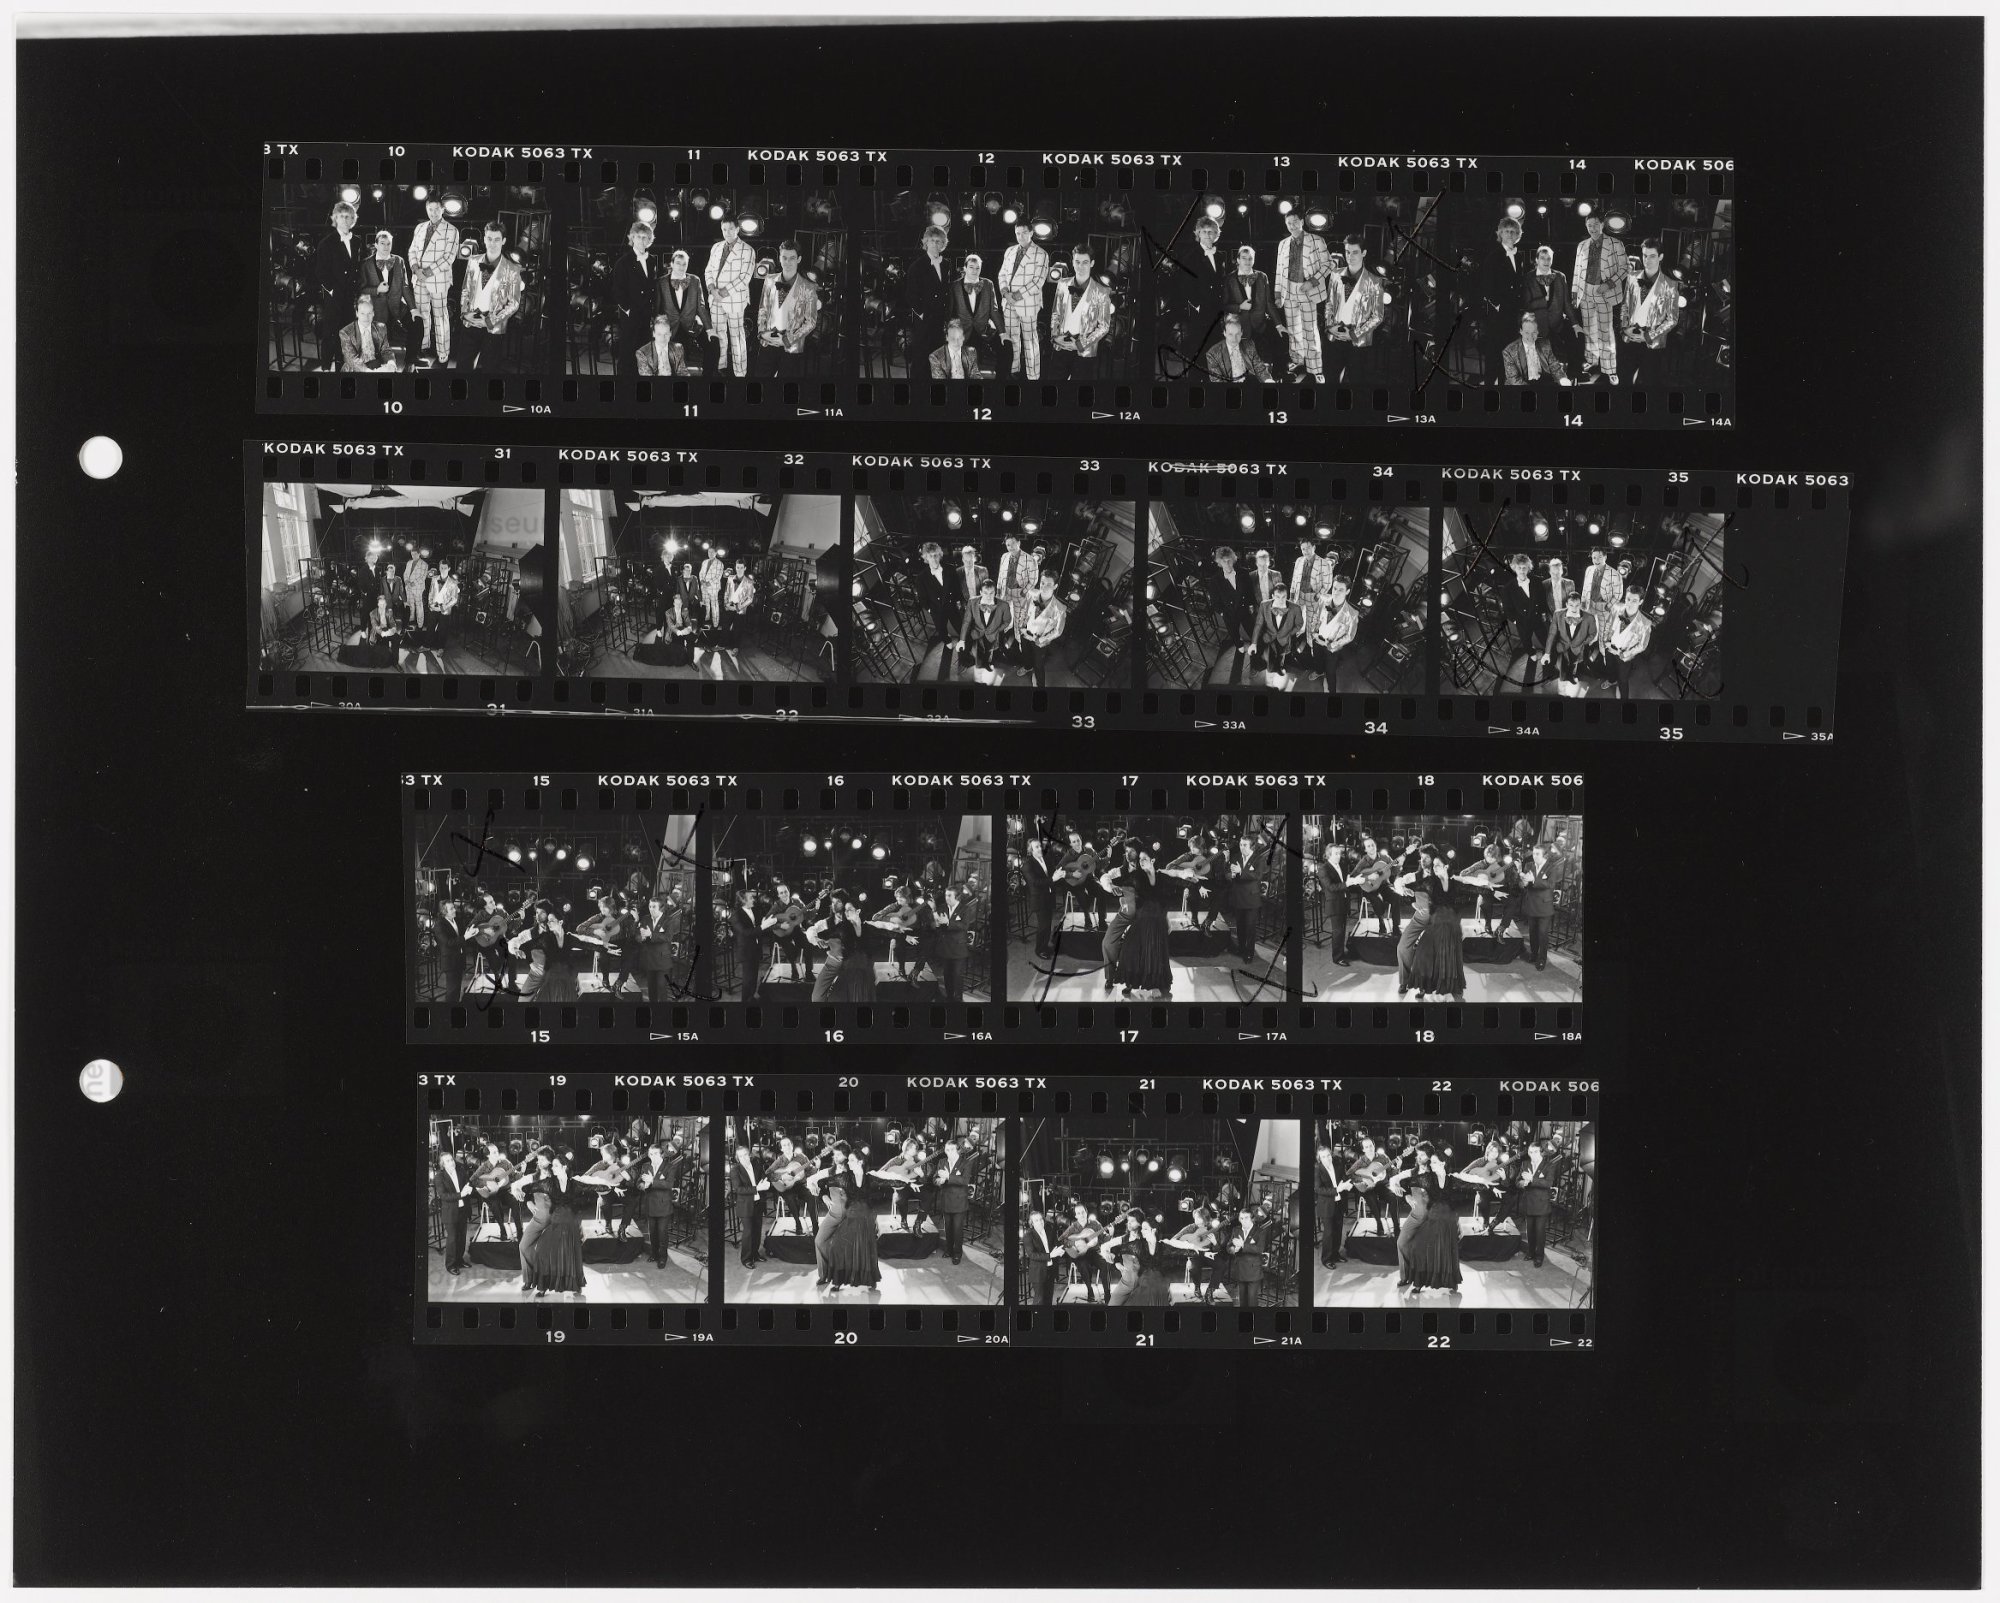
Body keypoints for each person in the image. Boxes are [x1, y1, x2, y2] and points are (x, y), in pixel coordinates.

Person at [1389, 1148, 1461, 1293]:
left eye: (1422, 1154)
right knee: (1401, 1243)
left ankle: (1421, 1279)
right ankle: (1406, 1276)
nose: (1419, 1157)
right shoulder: (1412, 1172)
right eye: (1418, 1155)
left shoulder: (1434, 1173)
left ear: (1429, 1157)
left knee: (1426, 1249)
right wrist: (1406, 1195)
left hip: (1432, 1217)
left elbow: (1448, 1195)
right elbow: (1393, 1180)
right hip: (1416, 1215)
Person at [1571, 211, 1629, 384]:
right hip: (1585, 292)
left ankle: (1609, 369)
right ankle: (1592, 360)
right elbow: (1577, 271)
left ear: (1603, 224)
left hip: (1605, 292)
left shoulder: (1615, 243)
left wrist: (1609, 284)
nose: (1593, 228)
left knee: (1605, 332)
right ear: (1586, 227)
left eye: (1596, 224)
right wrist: (1574, 294)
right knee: (1589, 330)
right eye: (1589, 225)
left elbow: (1625, 268)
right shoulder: (1582, 245)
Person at [457, 222, 522, 372]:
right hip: (471, 322)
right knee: (462, 368)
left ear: (503, 241)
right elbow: (465, 290)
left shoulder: (513, 269)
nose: (492, 243)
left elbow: (514, 303)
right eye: (489, 239)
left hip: (493, 327)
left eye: (497, 239)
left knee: (489, 371)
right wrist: (465, 313)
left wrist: (489, 321)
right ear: (484, 240)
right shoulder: (473, 261)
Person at [1274, 212, 1332, 380]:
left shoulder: (1316, 240)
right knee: (1293, 329)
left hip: (1307, 289)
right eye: (1289, 223)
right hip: (1288, 290)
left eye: (1295, 221)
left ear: (1301, 221)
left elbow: (1329, 264)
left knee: (1310, 330)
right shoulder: (1283, 244)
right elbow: (1279, 271)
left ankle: (1316, 369)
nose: (1292, 225)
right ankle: (1297, 361)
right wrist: (1278, 294)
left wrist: (1312, 282)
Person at [406, 193, 459, 367]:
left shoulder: (451, 230)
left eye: (437, 209)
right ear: (426, 209)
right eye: (430, 209)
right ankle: (422, 348)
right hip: (419, 278)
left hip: (438, 280)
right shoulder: (420, 228)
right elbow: (412, 251)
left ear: (442, 209)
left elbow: (448, 258)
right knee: (421, 315)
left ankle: (443, 354)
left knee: (440, 316)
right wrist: (415, 268)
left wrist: (426, 272)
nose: (434, 212)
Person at [1113, 845, 1173, 999]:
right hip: (1143, 917)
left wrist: (1167, 919)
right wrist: (1109, 883)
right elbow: (1120, 882)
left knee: (1154, 952)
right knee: (1131, 948)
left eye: (1144, 859)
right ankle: (1131, 981)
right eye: (1140, 859)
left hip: (1158, 919)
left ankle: (1154, 984)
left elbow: (1165, 901)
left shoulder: (1161, 877)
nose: (1141, 861)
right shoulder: (1137, 876)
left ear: (1153, 860)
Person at [1326, 233, 1385, 385]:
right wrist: (1330, 326)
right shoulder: (1335, 275)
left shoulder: (1375, 281)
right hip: (1335, 338)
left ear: (1364, 253)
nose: (1350, 256)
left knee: (1356, 385)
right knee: (1330, 382)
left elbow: (1378, 316)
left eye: (1355, 252)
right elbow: (1329, 304)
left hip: (1358, 343)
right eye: (1347, 252)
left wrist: (1353, 334)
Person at [754, 240, 820, 377]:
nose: (787, 262)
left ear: (799, 259)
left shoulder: (809, 287)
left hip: (791, 346)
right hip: (768, 342)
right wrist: (762, 333)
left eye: (792, 258)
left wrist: (787, 340)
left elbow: (811, 322)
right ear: (779, 258)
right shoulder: (769, 280)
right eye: (784, 258)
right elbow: (762, 309)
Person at [1622, 236, 1681, 387]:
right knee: (1624, 382)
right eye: (1645, 255)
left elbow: (1672, 319)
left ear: (1661, 257)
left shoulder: (1670, 285)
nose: (1647, 260)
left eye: (1652, 256)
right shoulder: (1632, 277)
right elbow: (1625, 306)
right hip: (1630, 339)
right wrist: (1624, 328)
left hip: (1652, 344)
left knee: (1650, 385)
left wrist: (1648, 336)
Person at [1476, 215, 1528, 386]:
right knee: (1494, 351)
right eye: (1506, 231)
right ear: (1500, 234)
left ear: (1518, 235)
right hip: (1498, 312)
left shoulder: (1518, 257)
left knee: (1508, 350)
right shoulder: (1494, 256)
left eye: (1513, 231)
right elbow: (1486, 284)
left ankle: (1504, 383)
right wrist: (1497, 305)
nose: (1510, 234)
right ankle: (1490, 385)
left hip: (1512, 311)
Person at [1048, 245, 1113, 380]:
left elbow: (1104, 326)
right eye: (1077, 262)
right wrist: (1055, 337)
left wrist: (1080, 344)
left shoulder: (1102, 291)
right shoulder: (1062, 284)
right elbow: (1055, 314)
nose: (1080, 266)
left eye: (1085, 262)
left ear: (1092, 263)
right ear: (1072, 262)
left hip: (1084, 351)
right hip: (1061, 345)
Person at [524, 1155, 587, 1297]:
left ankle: (574, 1284)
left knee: (569, 1253)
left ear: (564, 1167)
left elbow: (592, 1186)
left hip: (570, 1222)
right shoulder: (550, 1182)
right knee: (543, 1251)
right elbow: (529, 1187)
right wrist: (525, 1196)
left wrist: (610, 1187)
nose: (553, 1168)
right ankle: (543, 1285)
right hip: (556, 1221)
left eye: (556, 1165)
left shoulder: (574, 1183)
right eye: (552, 1165)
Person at [996, 219, 1050, 378]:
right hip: (1008, 302)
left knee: (1029, 340)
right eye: (1018, 233)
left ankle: (1033, 375)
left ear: (1031, 233)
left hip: (1028, 303)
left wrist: (1016, 296)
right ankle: (1013, 371)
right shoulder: (1009, 251)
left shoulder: (1041, 254)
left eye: (1024, 232)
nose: (1021, 236)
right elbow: (1002, 274)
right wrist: (1005, 293)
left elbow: (1038, 281)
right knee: (1012, 339)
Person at [703, 217, 757, 377]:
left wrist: (722, 293)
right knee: (718, 334)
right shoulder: (716, 247)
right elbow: (708, 271)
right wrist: (712, 289)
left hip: (735, 300)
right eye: (724, 229)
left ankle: (740, 372)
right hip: (715, 299)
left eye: (731, 229)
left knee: (736, 336)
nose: (727, 232)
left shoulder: (747, 250)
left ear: (737, 229)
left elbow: (745, 278)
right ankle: (720, 367)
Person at [312, 200, 363, 367]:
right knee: (330, 333)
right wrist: (332, 290)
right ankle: (326, 367)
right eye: (341, 216)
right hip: (334, 296)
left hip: (349, 295)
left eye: (348, 216)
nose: (345, 220)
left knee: (347, 332)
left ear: (353, 219)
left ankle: (342, 366)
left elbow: (356, 267)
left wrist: (356, 290)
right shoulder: (326, 243)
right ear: (335, 218)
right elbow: (320, 272)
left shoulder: (357, 241)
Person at [611, 219, 661, 376]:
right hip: (631, 315)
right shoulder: (623, 262)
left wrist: (653, 312)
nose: (641, 240)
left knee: (643, 353)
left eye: (645, 237)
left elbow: (653, 287)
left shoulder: (652, 260)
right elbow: (617, 290)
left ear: (649, 240)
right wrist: (628, 310)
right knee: (627, 354)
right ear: (632, 238)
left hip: (646, 315)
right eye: (638, 237)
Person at [930, 875, 980, 1004]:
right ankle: (949, 997)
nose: (946, 898)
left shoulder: (965, 909)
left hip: (958, 949)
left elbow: (964, 926)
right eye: (946, 895)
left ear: (956, 897)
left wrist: (948, 922)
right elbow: (937, 925)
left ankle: (958, 999)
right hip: (945, 947)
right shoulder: (942, 907)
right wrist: (935, 918)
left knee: (957, 975)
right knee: (947, 975)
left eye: (949, 895)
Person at [1514, 1137, 1563, 1268]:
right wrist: (1523, 1183)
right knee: (1530, 1231)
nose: (1532, 1155)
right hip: (1528, 1203)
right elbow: (1517, 1182)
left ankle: (1539, 1256)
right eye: (1530, 1152)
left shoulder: (1549, 1165)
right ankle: (1530, 1253)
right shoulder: (1525, 1164)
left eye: (1535, 1152)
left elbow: (1548, 1183)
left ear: (1541, 1151)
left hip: (1542, 1205)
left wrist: (1532, 1179)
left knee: (1540, 1232)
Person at [950, 251, 1002, 369]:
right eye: (971, 267)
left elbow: (994, 310)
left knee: (1005, 348)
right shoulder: (955, 286)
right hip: (963, 330)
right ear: (965, 268)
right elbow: (951, 312)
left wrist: (1002, 332)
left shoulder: (988, 284)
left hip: (983, 329)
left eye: (977, 268)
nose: (974, 271)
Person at [359, 229, 411, 345]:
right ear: (376, 245)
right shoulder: (366, 264)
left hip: (397, 308)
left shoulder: (399, 261)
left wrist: (413, 309)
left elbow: (405, 286)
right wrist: (377, 290)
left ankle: (412, 355)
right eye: (382, 243)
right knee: (378, 345)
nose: (386, 247)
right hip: (376, 311)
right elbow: (361, 290)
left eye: (388, 244)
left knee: (416, 324)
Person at [1247, 580, 1304, 685]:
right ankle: (1263, 674)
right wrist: (1254, 643)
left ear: (1287, 596)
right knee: (1262, 656)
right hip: (1268, 635)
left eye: (1283, 597)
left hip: (1284, 638)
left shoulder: (1295, 608)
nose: (1281, 600)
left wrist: (1289, 634)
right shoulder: (1264, 605)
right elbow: (1258, 624)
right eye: (1278, 597)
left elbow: (1299, 624)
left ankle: (1279, 668)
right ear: (1272, 596)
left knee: (1280, 656)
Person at [1523, 243, 1571, 364]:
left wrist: (1575, 324)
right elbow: (1527, 304)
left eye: (1549, 258)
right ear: (1536, 260)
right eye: (1543, 258)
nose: (1546, 261)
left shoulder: (1560, 277)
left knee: (1561, 359)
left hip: (1557, 324)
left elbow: (1566, 303)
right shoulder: (1528, 277)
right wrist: (1544, 299)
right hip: (1537, 326)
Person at [1017, 573, 1067, 687]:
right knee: (1025, 654)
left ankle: (1040, 685)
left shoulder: (1060, 609)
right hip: (1025, 633)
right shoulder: (1031, 593)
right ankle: (1027, 667)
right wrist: (1022, 626)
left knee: (1039, 665)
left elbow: (1058, 631)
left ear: (1055, 586)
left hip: (1040, 640)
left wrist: (1040, 639)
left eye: (1049, 584)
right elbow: (1024, 610)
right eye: (1042, 583)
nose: (1044, 587)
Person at [657, 248, 708, 360]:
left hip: (691, 325)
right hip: (670, 328)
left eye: (684, 264)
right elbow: (657, 308)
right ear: (672, 264)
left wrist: (710, 329)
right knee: (675, 359)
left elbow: (701, 307)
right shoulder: (661, 282)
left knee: (712, 345)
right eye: (678, 263)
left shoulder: (695, 280)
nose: (681, 267)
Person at [1541, 591, 1599, 686]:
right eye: (1571, 605)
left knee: (1572, 663)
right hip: (1561, 643)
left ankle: (1569, 675)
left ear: (1580, 605)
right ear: (1566, 604)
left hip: (1578, 645)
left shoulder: (1589, 617)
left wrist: (1583, 643)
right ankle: (1548, 676)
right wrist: (1547, 653)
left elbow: (1593, 633)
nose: (1574, 608)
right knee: (1548, 656)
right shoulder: (1558, 614)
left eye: (1577, 605)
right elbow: (1551, 634)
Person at [1058, 1200, 1111, 1304]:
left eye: (1083, 1212)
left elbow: (1105, 1238)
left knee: (1105, 1263)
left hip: (1095, 1252)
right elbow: (1061, 1239)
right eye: (1078, 1213)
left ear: (1086, 1212)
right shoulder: (1073, 1226)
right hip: (1081, 1254)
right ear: (1076, 1216)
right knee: (1083, 1264)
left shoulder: (1095, 1224)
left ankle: (1107, 1293)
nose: (1081, 1215)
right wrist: (1075, 1243)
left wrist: (1111, 1234)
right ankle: (1089, 1290)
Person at [631, 588, 698, 668]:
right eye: (676, 603)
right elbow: (671, 626)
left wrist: (689, 628)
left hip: (682, 631)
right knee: (666, 658)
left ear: (682, 603)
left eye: (680, 603)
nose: (678, 605)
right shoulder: (668, 612)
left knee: (690, 638)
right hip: (672, 633)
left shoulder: (685, 611)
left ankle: (691, 661)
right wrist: (679, 632)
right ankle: (640, 650)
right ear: (673, 603)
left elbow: (688, 622)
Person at [1605, 591, 1654, 698]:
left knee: (1623, 679)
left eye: (1634, 600)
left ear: (1640, 602)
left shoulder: (1645, 623)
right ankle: (1612, 681)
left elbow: (1642, 645)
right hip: (1610, 647)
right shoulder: (1616, 608)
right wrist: (1607, 639)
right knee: (1610, 667)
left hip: (1624, 655)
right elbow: (1608, 623)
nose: (1630, 603)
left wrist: (1623, 653)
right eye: (1628, 599)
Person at [1501, 310, 1568, 387]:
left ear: (1538, 332)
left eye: (1534, 332)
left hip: (1543, 381)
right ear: (1521, 331)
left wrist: (1563, 379)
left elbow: (1554, 366)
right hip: (1520, 384)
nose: (1530, 337)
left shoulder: (1545, 344)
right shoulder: (1509, 351)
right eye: (1527, 333)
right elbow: (1514, 379)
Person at [1516, 845, 1556, 971]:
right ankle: (1534, 955)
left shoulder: (1551, 867)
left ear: (1544, 855)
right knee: (1532, 933)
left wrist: (1533, 880)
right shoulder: (1529, 866)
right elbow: (1524, 885)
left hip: (1544, 907)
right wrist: (1523, 882)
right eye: (1533, 853)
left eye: (1537, 854)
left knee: (1542, 934)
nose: (1534, 856)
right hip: (1532, 905)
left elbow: (1550, 885)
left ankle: (1542, 959)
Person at [1226, 241, 1275, 342]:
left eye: (1250, 258)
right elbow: (1224, 305)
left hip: (1260, 327)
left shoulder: (1262, 277)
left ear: (1254, 260)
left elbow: (1269, 303)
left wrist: (1278, 324)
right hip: (1239, 329)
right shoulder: (1229, 279)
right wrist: (1239, 307)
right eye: (1244, 258)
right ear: (1238, 260)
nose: (1247, 261)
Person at [1202, 311, 1271, 382]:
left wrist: (1268, 380)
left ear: (1241, 332)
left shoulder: (1249, 345)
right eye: (1230, 334)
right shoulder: (1212, 354)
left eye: (1237, 334)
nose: (1234, 339)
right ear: (1224, 333)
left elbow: (1259, 368)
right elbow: (1217, 382)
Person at [932, 1137, 971, 1265]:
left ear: (957, 1150)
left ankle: (957, 1254)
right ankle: (949, 1250)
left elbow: (964, 1181)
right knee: (948, 1229)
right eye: (947, 1150)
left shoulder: (965, 1163)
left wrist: (948, 1176)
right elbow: (934, 1179)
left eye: (952, 1149)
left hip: (959, 1203)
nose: (950, 1152)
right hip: (946, 1201)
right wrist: (939, 1181)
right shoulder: (942, 1162)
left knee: (957, 1230)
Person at [731, 1132, 768, 1267]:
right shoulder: (735, 1170)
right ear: (737, 1158)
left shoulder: (756, 1164)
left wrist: (765, 1181)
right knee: (748, 1232)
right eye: (740, 1156)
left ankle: (755, 1254)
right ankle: (746, 1259)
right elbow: (738, 1189)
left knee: (757, 1231)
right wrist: (757, 1188)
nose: (744, 1158)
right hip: (745, 1206)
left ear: (749, 1155)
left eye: (745, 1155)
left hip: (758, 1203)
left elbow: (763, 1176)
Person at [1316, 838, 1354, 966]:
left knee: (1342, 930)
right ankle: (1337, 958)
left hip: (1343, 902)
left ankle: (1341, 953)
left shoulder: (1341, 865)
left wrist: (1351, 880)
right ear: (1328, 855)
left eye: (1339, 853)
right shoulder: (1323, 869)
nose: (1339, 856)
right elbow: (1331, 887)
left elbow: (1343, 882)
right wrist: (1348, 883)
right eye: (1336, 853)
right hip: (1334, 904)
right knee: (1338, 932)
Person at [436, 1147, 473, 1275]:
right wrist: (461, 1194)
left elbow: (468, 1184)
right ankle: (451, 1265)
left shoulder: (460, 1171)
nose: (451, 1162)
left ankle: (459, 1260)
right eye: (447, 1161)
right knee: (452, 1239)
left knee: (462, 1237)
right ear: (443, 1164)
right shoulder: (439, 1177)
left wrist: (470, 1188)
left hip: (463, 1210)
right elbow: (443, 1196)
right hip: (450, 1213)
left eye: (451, 1160)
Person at [1224, 1208, 1271, 1309]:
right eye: (1241, 1218)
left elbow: (1259, 1249)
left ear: (1252, 1219)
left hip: (1253, 1271)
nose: (1243, 1221)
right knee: (1243, 1301)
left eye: (1246, 1218)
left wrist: (1243, 1245)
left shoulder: (1260, 1231)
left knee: (1252, 1301)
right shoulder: (1236, 1230)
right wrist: (1234, 1249)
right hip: (1240, 1269)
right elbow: (1228, 1247)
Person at [912, 541, 956, 644]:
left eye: (936, 555)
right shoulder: (921, 578)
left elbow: (956, 587)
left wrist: (957, 601)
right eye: (930, 556)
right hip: (937, 610)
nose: (934, 559)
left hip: (951, 606)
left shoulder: (950, 569)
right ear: (926, 558)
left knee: (959, 626)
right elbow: (922, 599)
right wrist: (930, 610)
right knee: (942, 631)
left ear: (940, 555)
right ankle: (947, 642)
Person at [1315, 1138, 1351, 1266]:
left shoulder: (1337, 1164)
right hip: (1326, 1206)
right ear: (1319, 1158)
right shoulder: (1317, 1169)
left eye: (1328, 1155)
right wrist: (1337, 1190)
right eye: (1323, 1157)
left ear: (1331, 1154)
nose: (1327, 1158)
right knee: (1329, 1233)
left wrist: (1347, 1184)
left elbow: (1344, 1178)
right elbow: (1318, 1189)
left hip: (1339, 1203)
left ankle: (1335, 1254)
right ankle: (1326, 1259)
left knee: (1338, 1230)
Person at [338, 293, 395, 372]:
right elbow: (351, 359)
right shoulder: (346, 332)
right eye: (362, 313)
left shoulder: (381, 328)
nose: (366, 317)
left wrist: (391, 363)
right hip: (355, 369)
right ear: (357, 313)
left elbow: (386, 350)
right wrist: (367, 371)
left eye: (369, 313)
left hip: (376, 365)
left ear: (373, 313)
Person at [1579, 545, 1623, 639]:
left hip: (1603, 606)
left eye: (1599, 557)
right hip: (1589, 604)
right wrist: (1583, 603)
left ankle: (1601, 646)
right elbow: (1585, 588)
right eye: (1594, 557)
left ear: (1605, 557)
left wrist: (1608, 606)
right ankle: (1587, 644)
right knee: (1587, 630)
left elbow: (1618, 594)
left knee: (1602, 633)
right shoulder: (1589, 569)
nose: (1596, 560)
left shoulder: (1615, 574)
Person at [728, 885, 762, 1002]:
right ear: (743, 900)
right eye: (751, 898)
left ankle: (751, 998)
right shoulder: (736, 915)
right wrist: (763, 926)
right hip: (746, 951)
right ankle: (745, 1002)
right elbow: (746, 932)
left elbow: (758, 927)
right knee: (748, 979)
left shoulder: (755, 910)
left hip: (756, 949)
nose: (753, 899)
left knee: (754, 977)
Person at [929, 316, 990, 380]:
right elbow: (940, 382)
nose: (956, 342)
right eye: (953, 338)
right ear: (947, 337)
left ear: (963, 337)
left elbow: (975, 375)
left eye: (959, 337)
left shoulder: (971, 352)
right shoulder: (936, 356)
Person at [1023, 1201, 1057, 1306]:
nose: (1040, 1222)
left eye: (1041, 1219)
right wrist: (1050, 1255)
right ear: (1032, 1223)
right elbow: (1032, 1255)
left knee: (1049, 1299)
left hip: (1050, 1270)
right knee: (1039, 1300)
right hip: (1038, 1272)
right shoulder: (1028, 1235)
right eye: (1036, 1220)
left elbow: (1055, 1245)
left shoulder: (1049, 1230)